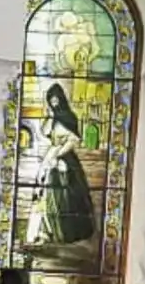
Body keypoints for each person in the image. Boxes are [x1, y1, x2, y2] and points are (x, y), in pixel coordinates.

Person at [23, 83, 95, 247]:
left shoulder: (70, 117)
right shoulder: (53, 118)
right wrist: (50, 116)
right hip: (52, 157)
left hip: (65, 159)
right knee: (45, 193)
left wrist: (59, 154)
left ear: (61, 99)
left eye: (56, 100)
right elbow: (45, 132)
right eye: (51, 101)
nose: (54, 104)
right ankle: (46, 231)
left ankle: (65, 232)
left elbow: (74, 140)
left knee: (65, 196)